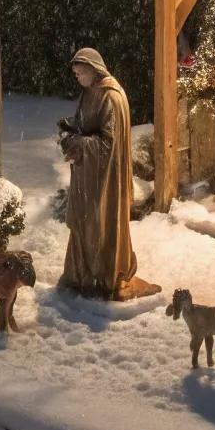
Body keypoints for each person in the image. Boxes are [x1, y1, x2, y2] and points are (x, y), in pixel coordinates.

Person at [58, 47, 159, 300]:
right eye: (75, 73)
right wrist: (70, 126)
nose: (77, 77)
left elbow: (108, 143)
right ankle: (82, 275)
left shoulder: (111, 97)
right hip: (87, 175)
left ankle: (105, 277)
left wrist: (79, 143)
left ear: (94, 69)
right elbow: (87, 123)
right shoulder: (90, 92)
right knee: (84, 222)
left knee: (100, 223)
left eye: (80, 72)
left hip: (105, 178)